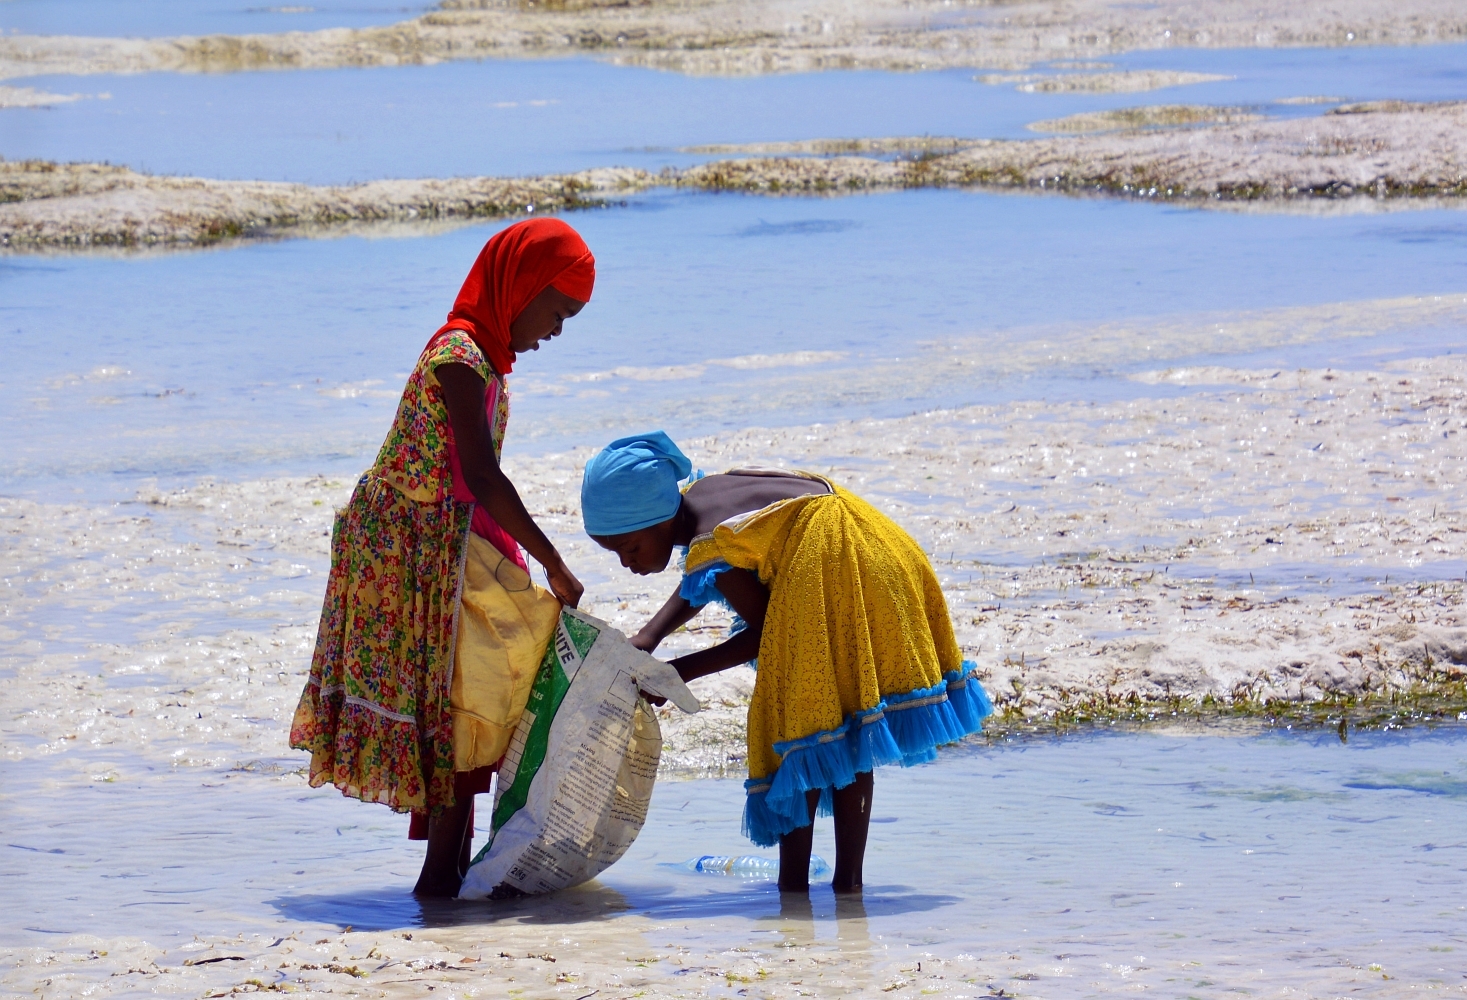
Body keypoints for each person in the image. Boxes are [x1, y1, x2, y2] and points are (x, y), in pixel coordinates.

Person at [289, 218, 594, 897]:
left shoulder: (486, 362)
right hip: (410, 554)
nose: (557, 331)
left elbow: (474, 483)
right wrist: (550, 562)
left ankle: (448, 878)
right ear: (521, 287)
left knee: (475, 698)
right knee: (462, 704)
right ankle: (439, 880)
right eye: (558, 311)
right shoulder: (459, 358)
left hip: (452, 546)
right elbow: (483, 476)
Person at [579, 431, 991, 894]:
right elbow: (714, 567)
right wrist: (652, 635)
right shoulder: (703, 496)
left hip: (836, 566)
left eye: (630, 549)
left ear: (657, 518)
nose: (626, 564)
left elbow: (764, 637)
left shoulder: (708, 536)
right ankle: (847, 887)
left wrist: (679, 674)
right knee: (848, 723)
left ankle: (795, 890)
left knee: (801, 727)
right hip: (877, 549)